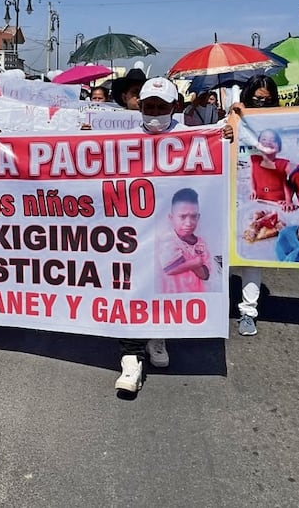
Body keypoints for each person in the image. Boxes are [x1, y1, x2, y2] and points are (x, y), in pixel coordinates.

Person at [115, 76, 185, 394]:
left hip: (172, 231)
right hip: (132, 230)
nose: (155, 113)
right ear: (139, 107)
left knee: (162, 286)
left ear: (174, 107)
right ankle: (131, 358)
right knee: (132, 287)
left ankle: (158, 335)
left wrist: (227, 134)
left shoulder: (193, 138)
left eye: (161, 107)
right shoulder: (121, 140)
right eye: (149, 107)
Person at [221, 74, 280, 336]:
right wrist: (227, 131)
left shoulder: (283, 123)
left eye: (267, 101)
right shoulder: (232, 120)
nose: (261, 104)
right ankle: (215, 306)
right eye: (256, 99)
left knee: (251, 260)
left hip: (260, 203)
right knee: (218, 255)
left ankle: (248, 311)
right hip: (228, 197)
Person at [158, 187, 211, 293]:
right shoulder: (167, 240)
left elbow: (205, 275)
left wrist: (188, 261)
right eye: (182, 217)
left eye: (193, 216)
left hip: (196, 300)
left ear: (198, 217)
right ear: (171, 218)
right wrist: (195, 263)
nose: (188, 223)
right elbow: (169, 269)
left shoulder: (201, 243)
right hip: (170, 300)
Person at [249, 128, 294, 210]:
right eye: (264, 139)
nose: (268, 142)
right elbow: (253, 174)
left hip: (278, 204)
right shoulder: (255, 160)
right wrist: (253, 190)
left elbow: (291, 183)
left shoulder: (283, 164)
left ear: (279, 147)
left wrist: (288, 200)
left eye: (273, 140)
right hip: (259, 201)